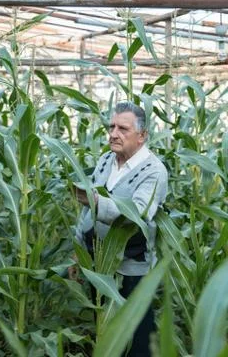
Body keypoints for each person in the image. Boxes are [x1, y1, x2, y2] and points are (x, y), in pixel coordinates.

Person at [73, 101, 168, 357]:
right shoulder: (106, 160)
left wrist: (96, 202)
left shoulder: (154, 171)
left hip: (131, 270)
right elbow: (87, 212)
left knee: (138, 341)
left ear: (142, 135)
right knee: (105, 332)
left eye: (123, 128)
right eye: (111, 126)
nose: (114, 133)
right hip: (99, 266)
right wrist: (78, 247)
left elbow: (137, 215)